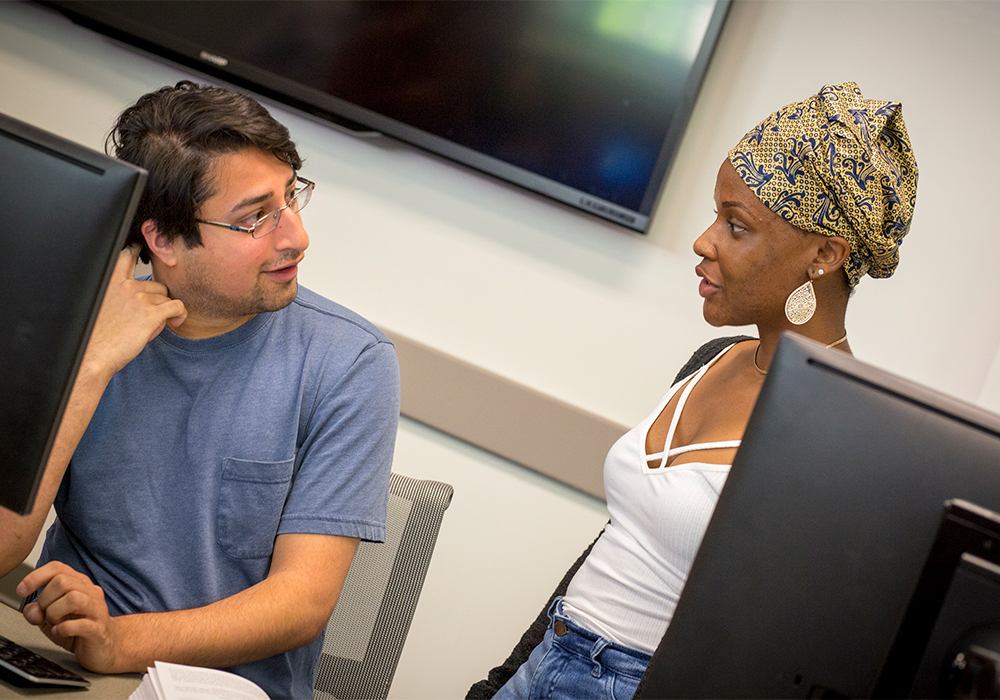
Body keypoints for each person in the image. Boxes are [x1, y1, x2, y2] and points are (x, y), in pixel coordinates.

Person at [468, 81, 919, 700]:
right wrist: (501, 682)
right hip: (551, 655)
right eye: (716, 215)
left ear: (824, 254)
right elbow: (616, 550)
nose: (705, 241)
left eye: (736, 226)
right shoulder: (713, 359)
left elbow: (781, 654)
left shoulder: (838, 434)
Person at [0, 81, 400, 699]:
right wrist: (89, 367)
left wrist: (122, 640)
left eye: (291, 199)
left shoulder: (350, 362)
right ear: (161, 240)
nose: (296, 237)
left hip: (219, 690)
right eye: (255, 218)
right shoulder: (73, 318)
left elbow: (301, 604)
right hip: (64, 668)